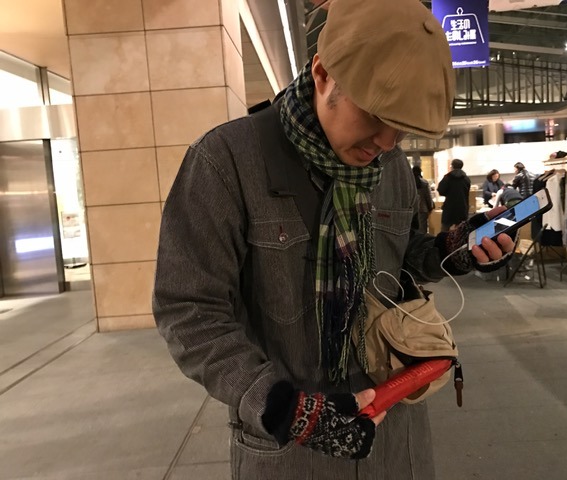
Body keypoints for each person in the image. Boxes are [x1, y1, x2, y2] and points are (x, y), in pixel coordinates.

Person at [152, 0, 515, 478]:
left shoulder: (390, 167)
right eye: (376, 116)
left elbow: (398, 263)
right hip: (290, 453)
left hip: (395, 441)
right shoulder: (226, 162)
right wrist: (281, 406)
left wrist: (454, 249)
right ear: (323, 74)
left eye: (402, 129)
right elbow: (188, 310)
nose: (386, 143)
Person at [437, 158, 471, 232]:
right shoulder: (466, 179)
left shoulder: (447, 177)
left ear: (452, 166)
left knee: (445, 231)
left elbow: (441, 191)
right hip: (462, 208)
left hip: (449, 208)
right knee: (461, 231)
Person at [412, 165, 435, 234]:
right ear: (420, 172)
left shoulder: (409, 182)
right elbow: (428, 196)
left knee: (412, 229)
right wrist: (430, 207)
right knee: (422, 230)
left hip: (411, 209)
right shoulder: (424, 183)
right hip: (422, 209)